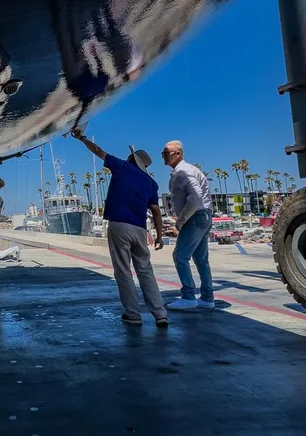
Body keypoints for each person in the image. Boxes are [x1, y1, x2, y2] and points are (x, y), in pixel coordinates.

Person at [72, 129, 168, 327]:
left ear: (133, 159)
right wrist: (159, 236)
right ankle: (160, 314)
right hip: (141, 229)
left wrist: (81, 137)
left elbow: (98, 151)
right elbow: (157, 212)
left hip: (119, 226)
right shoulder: (151, 183)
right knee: (145, 270)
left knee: (123, 271)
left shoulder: (122, 167)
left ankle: (133, 314)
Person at [162, 140, 214, 310]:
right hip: (204, 215)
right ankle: (207, 298)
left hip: (195, 216)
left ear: (178, 154)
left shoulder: (184, 172)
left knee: (180, 256)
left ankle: (188, 296)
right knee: (200, 259)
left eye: (166, 152)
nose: (163, 155)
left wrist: (181, 220)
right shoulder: (187, 170)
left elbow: (195, 198)